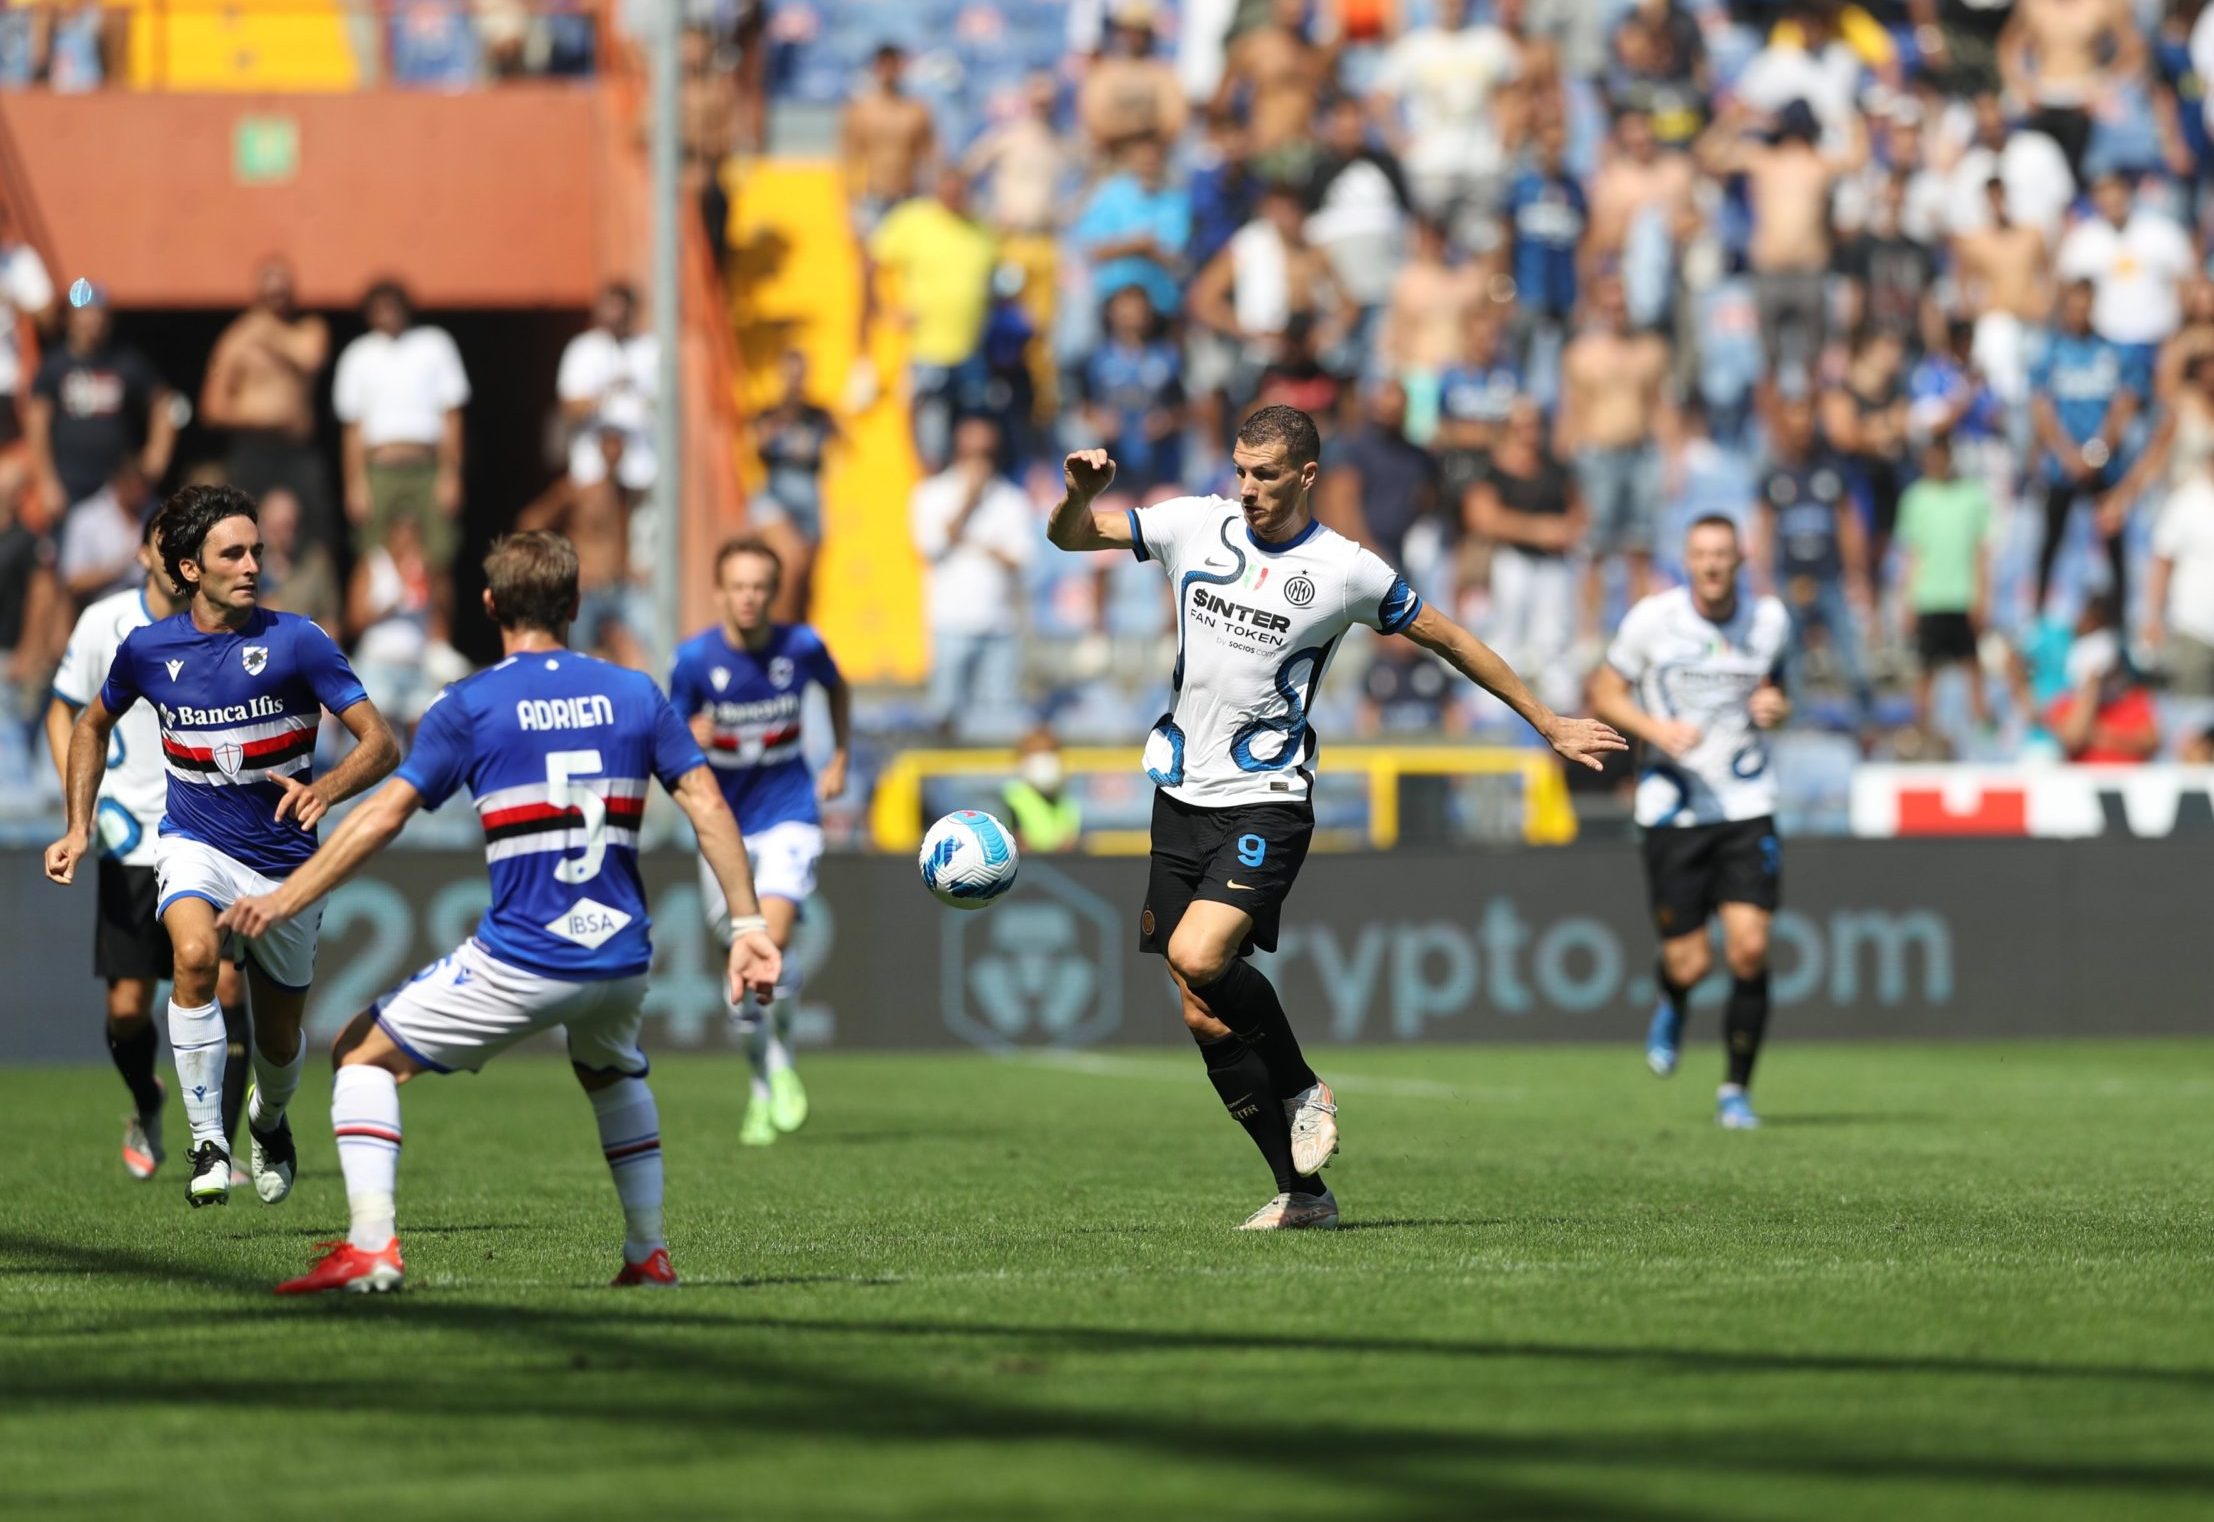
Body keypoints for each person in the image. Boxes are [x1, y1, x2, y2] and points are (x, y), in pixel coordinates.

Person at [1045, 406, 1624, 1229]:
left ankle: (1303, 1085)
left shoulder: (1345, 570)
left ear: (1306, 476)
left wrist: (1548, 720)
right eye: (1240, 470)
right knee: (1199, 1005)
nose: (1246, 488)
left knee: (1197, 953)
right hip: (1179, 794)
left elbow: (1450, 638)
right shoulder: (1191, 525)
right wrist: (1078, 496)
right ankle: (1303, 1191)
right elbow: (1073, 538)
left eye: (1266, 475)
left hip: (1267, 797)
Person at [213, 531, 783, 1293]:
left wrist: (286, 895)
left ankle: (372, 1246)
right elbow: (709, 804)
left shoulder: (471, 704)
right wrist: (746, 927)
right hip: (620, 954)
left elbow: (384, 817)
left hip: (528, 953)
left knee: (359, 1055)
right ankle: (648, 1253)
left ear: (488, 606)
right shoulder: (636, 692)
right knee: (611, 1069)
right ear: (575, 605)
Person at [43, 484, 400, 1209]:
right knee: (196, 958)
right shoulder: (145, 649)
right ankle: (209, 1139)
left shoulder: (298, 639)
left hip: (286, 866)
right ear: (188, 568)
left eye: (255, 551)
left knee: (277, 1039)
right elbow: (88, 725)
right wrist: (80, 825)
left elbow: (382, 743)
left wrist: (325, 789)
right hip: (191, 841)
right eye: (231, 553)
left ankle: (268, 1124)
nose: (249, 565)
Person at [45, 513, 252, 1184]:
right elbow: (67, 713)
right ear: (145, 553)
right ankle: (147, 1102)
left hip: (207, 835)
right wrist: (82, 812)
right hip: (129, 836)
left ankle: (218, 1142)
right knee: (128, 1008)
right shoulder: (107, 625)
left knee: (222, 982)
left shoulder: (231, 629)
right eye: (166, 547)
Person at [1589, 515, 1792, 1130]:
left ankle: (1736, 1091)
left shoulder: (1770, 620)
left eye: (1721, 554)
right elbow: (1604, 691)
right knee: (1691, 963)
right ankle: (1673, 999)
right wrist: (1656, 732)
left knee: (1751, 949)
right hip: (1673, 806)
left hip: (1745, 801)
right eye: (1700, 553)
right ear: (1687, 558)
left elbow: (1776, 695)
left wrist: (1775, 707)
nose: (1710, 565)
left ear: (1740, 559)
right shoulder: (1654, 618)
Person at [669, 538, 850, 1149]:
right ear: (719, 591)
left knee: (767, 940)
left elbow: (838, 687)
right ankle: (760, 1082)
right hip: (721, 824)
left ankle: (780, 1062)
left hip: (788, 811)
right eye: (737, 586)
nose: (748, 597)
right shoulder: (694, 661)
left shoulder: (800, 647)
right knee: (743, 965)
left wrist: (840, 754)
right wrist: (688, 736)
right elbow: (669, 741)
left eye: (759, 587)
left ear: (772, 593)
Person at [333, 279, 471, 637]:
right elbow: (352, 428)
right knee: (372, 554)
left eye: (392, 305)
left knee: (438, 556)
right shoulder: (358, 354)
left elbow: (452, 416)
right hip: (379, 467)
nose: (387, 313)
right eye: (379, 307)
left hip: (428, 465)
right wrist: (355, 483)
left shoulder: (435, 344)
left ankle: (439, 645)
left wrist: (451, 473)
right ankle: (371, 645)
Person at [863, 167, 999, 472]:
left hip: (970, 349)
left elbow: (992, 279)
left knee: (975, 432)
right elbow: (872, 261)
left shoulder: (980, 229)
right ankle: (928, 485)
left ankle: (964, 491)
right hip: (926, 349)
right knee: (930, 431)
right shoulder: (914, 220)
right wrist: (884, 308)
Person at [910, 415, 1036, 739]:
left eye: (986, 453)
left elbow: (1020, 559)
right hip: (950, 623)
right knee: (945, 716)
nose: (979, 462)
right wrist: (969, 504)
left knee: (999, 719)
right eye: (971, 453)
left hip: (999, 625)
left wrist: (970, 541)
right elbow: (931, 547)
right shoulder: (929, 494)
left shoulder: (1012, 499)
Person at [198, 257, 336, 553]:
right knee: (244, 526)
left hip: (298, 451)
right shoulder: (235, 341)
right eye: (271, 288)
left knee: (315, 531)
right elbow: (212, 408)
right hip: (253, 451)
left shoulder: (309, 329)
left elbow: (310, 357)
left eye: (283, 287)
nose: (277, 295)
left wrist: (263, 328)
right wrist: (267, 418)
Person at [1752, 394, 1872, 722]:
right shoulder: (1774, 476)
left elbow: (1848, 524)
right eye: (1793, 425)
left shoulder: (1831, 472)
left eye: (1805, 424)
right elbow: (1763, 526)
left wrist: (1856, 574)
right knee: (1792, 659)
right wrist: (1762, 578)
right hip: (1791, 579)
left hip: (1830, 577)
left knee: (1852, 656)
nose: (1800, 432)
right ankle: (1800, 725)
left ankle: (1865, 723)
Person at [1558, 273, 1669, 616]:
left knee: (1640, 546)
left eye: (1621, 303)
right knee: (1594, 549)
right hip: (1597, 455)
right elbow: (1570, 409)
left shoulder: (1650, 350)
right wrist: (1565, 468)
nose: (1616, 310)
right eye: (1610, 303)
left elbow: (1659, 405)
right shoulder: (1582, 354)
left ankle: (1640, 625)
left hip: (1640, 453)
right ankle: (1590, 635)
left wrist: (1672, 458)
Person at [2030, 278, 2141, 612]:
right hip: (2062, 467)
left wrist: (2095, 452)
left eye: (2085, 306)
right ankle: (2038, 615)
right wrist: (2067, 454)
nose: (2079, 313)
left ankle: (2121, 620)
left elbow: (2125, 404)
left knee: (2114, 546)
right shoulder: (2050, 350)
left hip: (2103, 466)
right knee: (2050, 543)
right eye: (2073, 306)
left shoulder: (2111, 350)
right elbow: (2041, 407)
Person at [25, 285, 174, 522]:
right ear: (69, 319)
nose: (92, 322)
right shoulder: (53, 366)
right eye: (85, 314)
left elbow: (163, 404)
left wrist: (156, 457)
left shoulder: (128, 362)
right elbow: (36, 423)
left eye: (98, 314)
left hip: (119, 486)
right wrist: (46, 481)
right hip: (69, 483)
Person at [1894, 432, 1994, 736]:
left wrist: (1982, 595)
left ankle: (1982, 730)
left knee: (1972, 668)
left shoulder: (1973, 496)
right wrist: (1906, 600)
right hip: (1928, 598)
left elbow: (1981, 552)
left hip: (1962, 597)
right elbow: (1912, 555)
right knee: (1925, 672)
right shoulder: (1915, 498)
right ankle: (1922, 732)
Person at [750, 351, 840, 623]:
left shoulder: (819, 416)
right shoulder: (769, 415)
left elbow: (841, 447)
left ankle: (795, 646)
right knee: (789, 567)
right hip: (777, 495)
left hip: (809, 499)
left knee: (805, 585)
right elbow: (756, 449)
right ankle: (776, 639)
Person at [556, 280, 658, 504]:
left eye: (621, 307)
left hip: (642, 470)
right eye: (610, 306)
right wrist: (605, 393)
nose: (616, 315)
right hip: (592, 472)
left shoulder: (652, 349)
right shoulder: (583, 349)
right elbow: (570, 409)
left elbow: (667, 408)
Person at [840, 43, 936, 236]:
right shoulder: (861, 110)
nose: (890, 72)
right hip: (872, 196)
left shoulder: (917, 110)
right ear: (875, 68)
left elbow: (929, 156)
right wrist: (848, 204)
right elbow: (849, 159)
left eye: (895, 65)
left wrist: (930, 197)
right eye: (885, 65)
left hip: (907, 195)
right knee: (869, 259)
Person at [1001, 724, 1082, 853]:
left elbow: (1070, 839)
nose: (1044, 762)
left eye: (1049, 753)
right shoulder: (1010, 797)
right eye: (1037, 755)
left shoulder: (1066, 798)